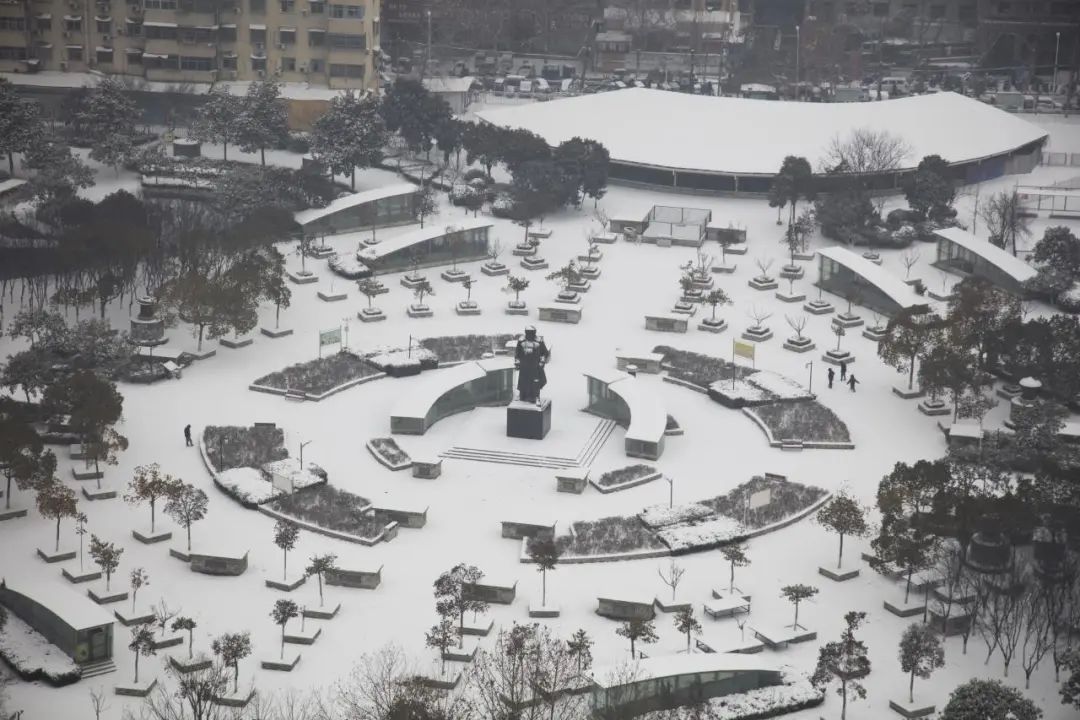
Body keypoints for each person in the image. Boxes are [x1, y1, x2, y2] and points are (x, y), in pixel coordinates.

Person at [514, 326, 550, 405]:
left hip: (535, 366)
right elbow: (517, 353)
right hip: (524, 366)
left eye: (531, 332)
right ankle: (522, 396)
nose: (530, 334)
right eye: (528, 332)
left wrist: (541, 362)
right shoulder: (521, 340)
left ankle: (536, 397)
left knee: (535, 382)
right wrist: (517, 362)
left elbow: (544, 353)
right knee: (523, 382)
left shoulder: (539, 341)